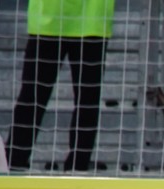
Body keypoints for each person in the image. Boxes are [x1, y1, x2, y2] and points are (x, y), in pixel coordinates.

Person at [8, 0, 115, 173]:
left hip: (89, 20)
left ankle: (77, 169)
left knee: (87, 101)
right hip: (52, 19)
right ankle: (14, 164)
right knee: (32, 97)